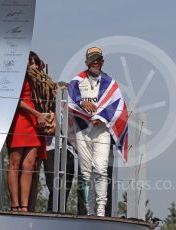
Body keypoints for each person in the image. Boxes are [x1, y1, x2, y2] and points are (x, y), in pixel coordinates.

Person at [68, 47, 129, 217]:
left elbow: (118, 107)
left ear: (102, 61)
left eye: (98, 59)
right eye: (92, 59)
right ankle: (86, 210)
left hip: (101, 130)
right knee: (85, 171)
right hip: (82, 130)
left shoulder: (110, 83)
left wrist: (101, 117)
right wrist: (82, 103)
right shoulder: (77, 81)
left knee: (101, 168)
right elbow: (71, 99)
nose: (95, 62)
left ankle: (101, 209)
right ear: (87, 62)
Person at [6, 51, 47, 212]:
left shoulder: (38, 82)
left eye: (35, 62)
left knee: (29, 165)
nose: (34, 65)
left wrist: (45, 115)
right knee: (14, 164)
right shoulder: (17, 78)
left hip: (34, 124)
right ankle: (14, 205)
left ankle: (25, 206)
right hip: (19, 121)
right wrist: (37, 114)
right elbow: (17, 101)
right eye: (30, 62)